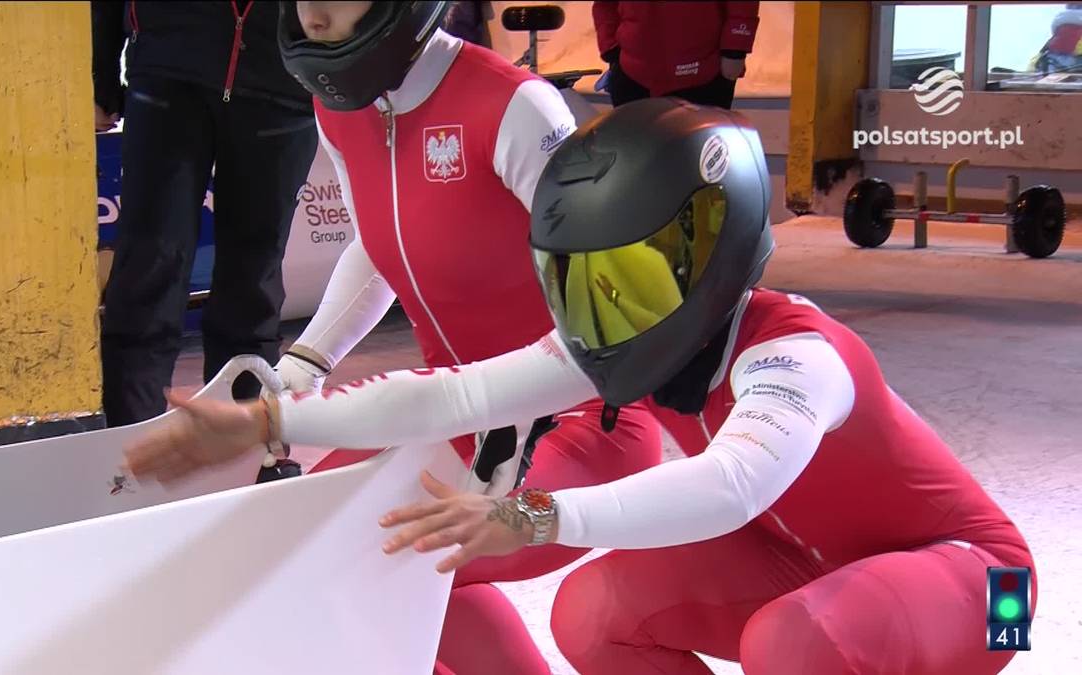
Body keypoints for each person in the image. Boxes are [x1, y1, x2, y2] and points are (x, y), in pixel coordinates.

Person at [374, 98, 1038, 674]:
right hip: (807, 561)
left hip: (993, 589)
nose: (602, 309)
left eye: (630, 275)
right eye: (580, 279)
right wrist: (308, 406)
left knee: (794, 642)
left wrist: (533, 516)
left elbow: (732, 483)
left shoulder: (798, 355)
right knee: (590, 611)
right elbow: (467, 392)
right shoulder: (632, 334)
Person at [125, 2, 661, 673]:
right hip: (457, 419)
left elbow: (616, 320)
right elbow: (380, 245)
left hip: (582, 423)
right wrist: (304, 364)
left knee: (356, 567)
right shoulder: (339, 107)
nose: (313, 14)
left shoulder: (518, 108)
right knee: (294, 551)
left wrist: (517, 409)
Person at [92, 1, 319, 426]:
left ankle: (242, 436)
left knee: (254, 279)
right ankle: (129, 440)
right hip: (168, 68)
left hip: (284, 79)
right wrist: (100, 76)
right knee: (148, 268)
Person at [593, 1, 759, 109]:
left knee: (698, 151)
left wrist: (735, 49)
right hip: (633, 75)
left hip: (704, 74)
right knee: (635, 149)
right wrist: (610, 48)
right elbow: (604, 5)